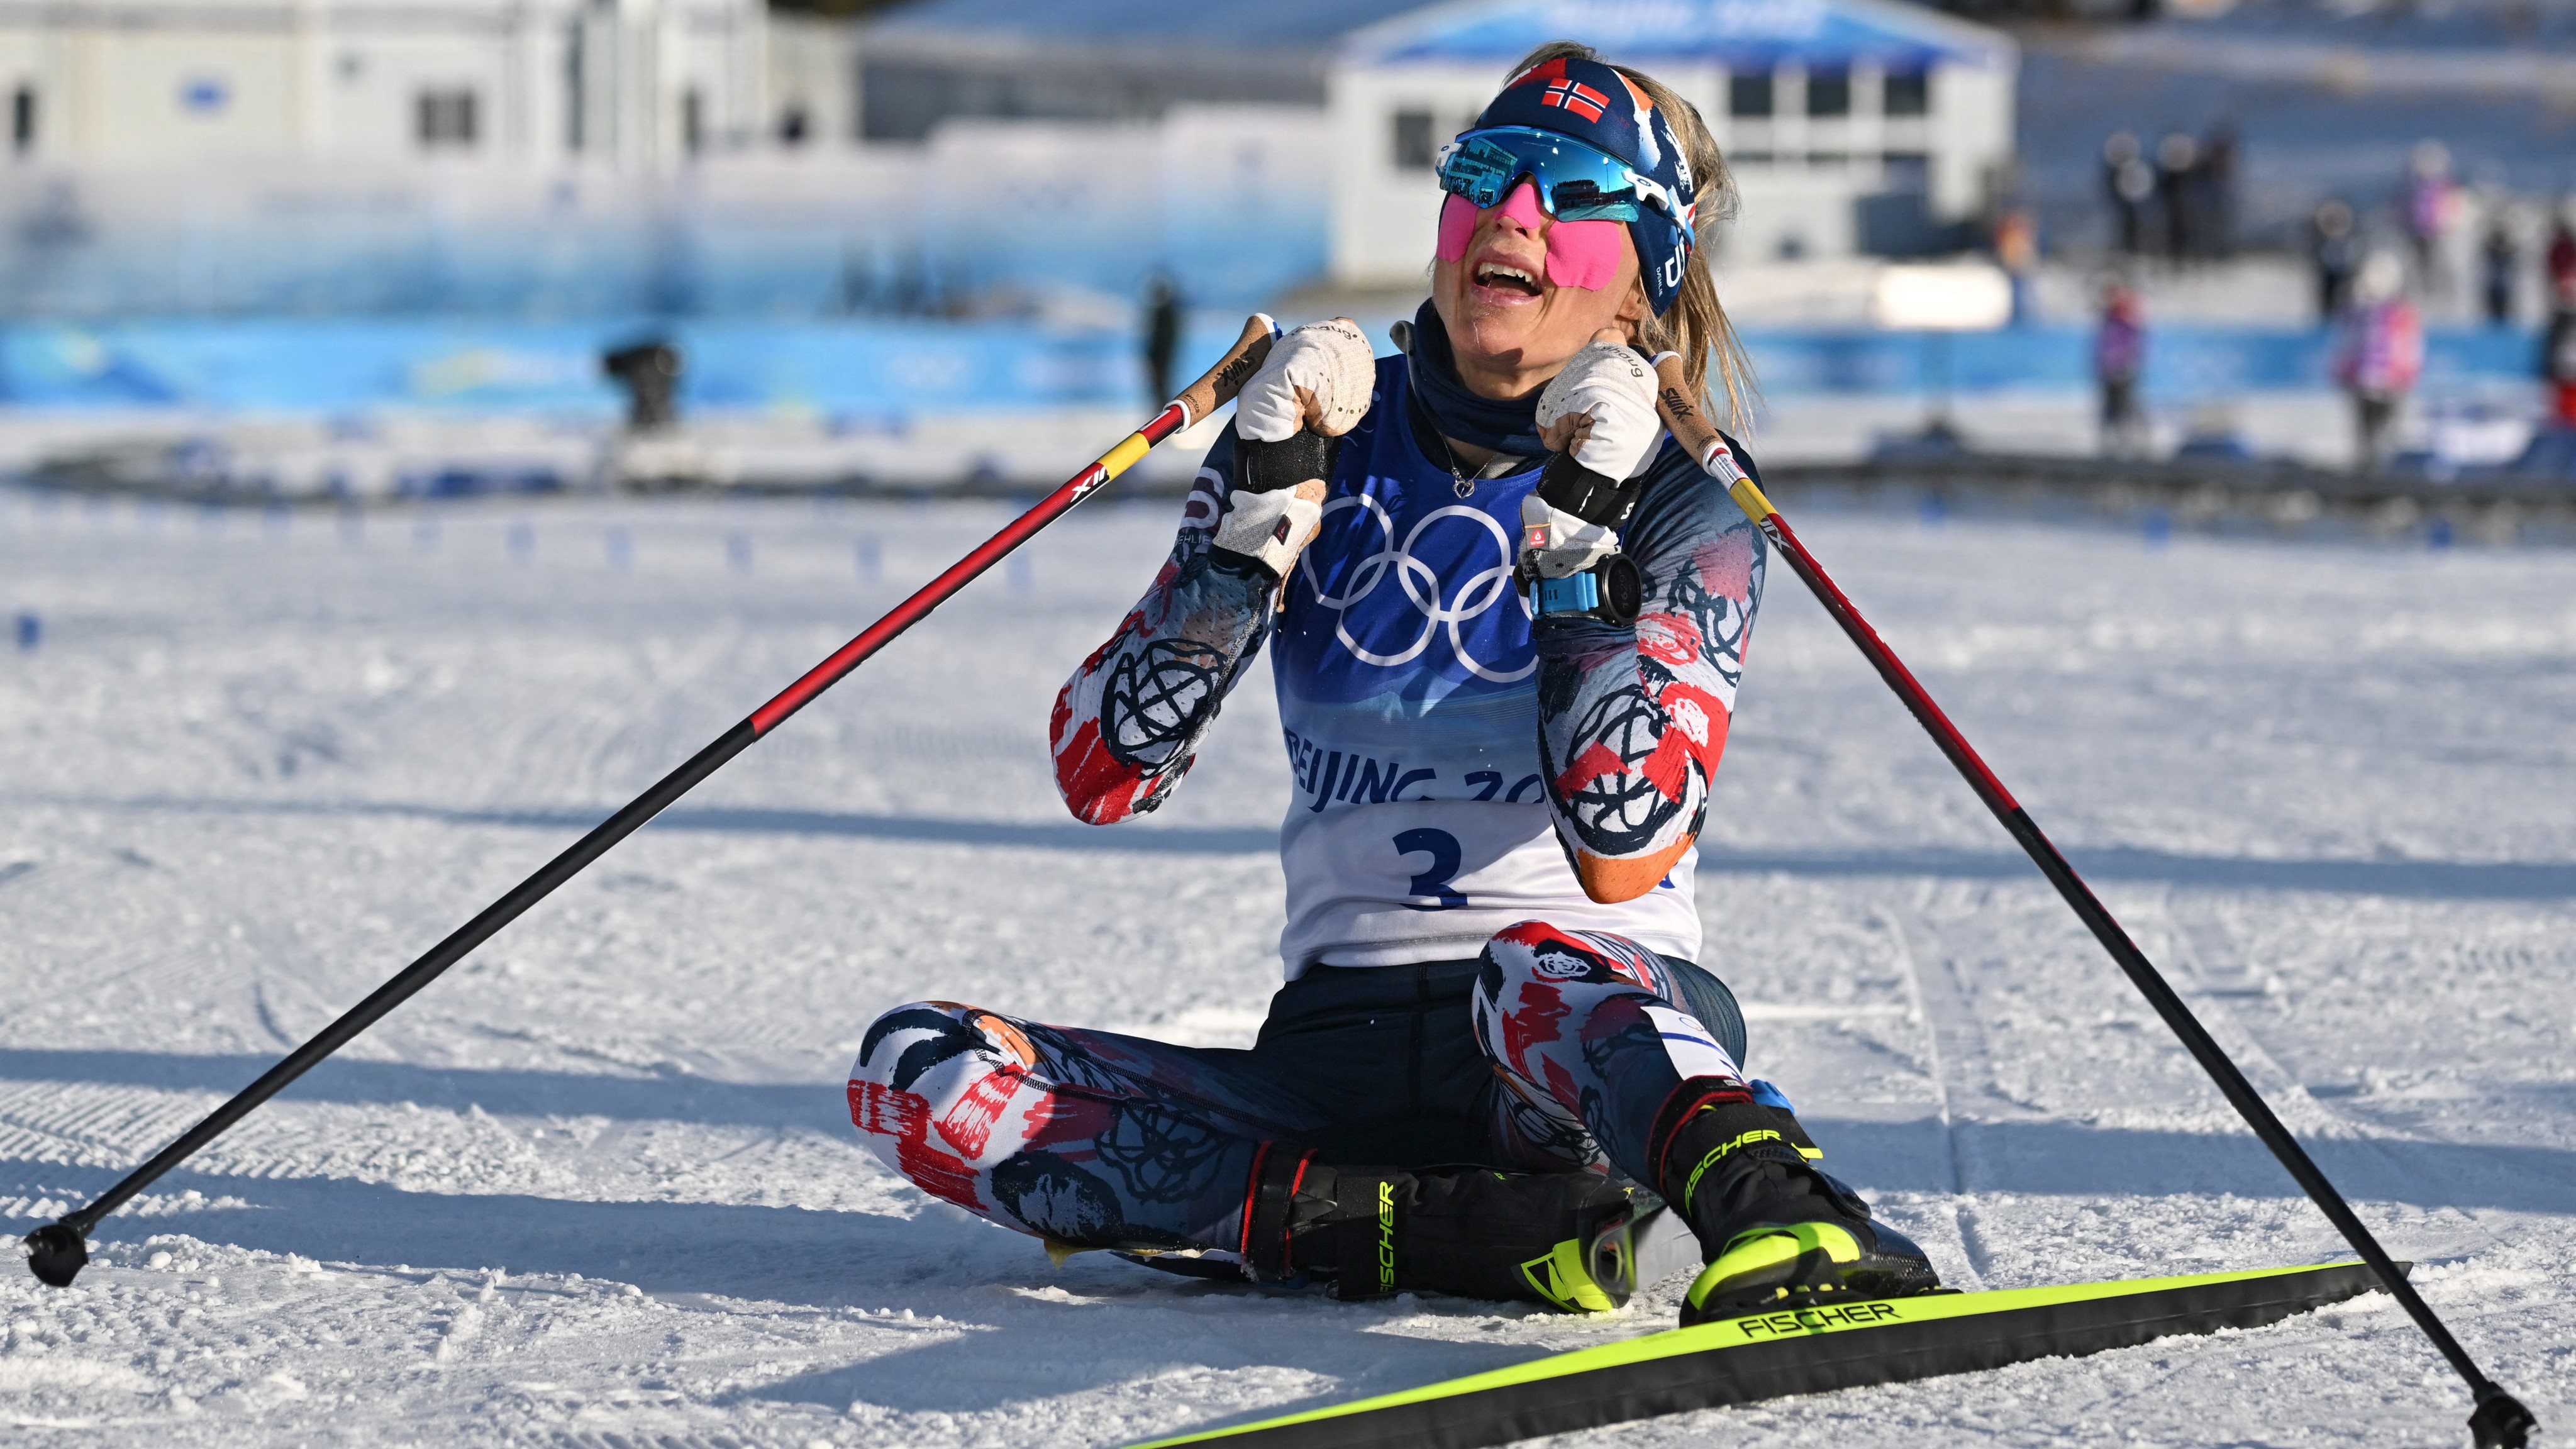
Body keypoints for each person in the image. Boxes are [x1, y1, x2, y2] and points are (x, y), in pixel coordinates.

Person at [845, 43, 1940, 1326]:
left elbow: (1621, 850)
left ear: (1645, 284)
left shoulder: (1686, 491)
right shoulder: (1314, 432)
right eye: (1483, 173)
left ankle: (1780, 1216)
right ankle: (1429, 1231)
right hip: (1334, 1054)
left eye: (1571, 192)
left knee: (1534, 963)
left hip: (1571, 1046)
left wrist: (1581, 546)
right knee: (914, 1071)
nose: (1512, 214)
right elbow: (1101, 771)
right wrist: (1245, 541)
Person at [2333, 252, 2423, 472]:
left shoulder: (2401, 313)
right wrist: (2345, 369)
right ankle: (2366, 468)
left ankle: (2383, 468)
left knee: (2387, 427)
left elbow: (2410, 346)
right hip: (2363, 380)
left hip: (2390, 380)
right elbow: (2349, 342)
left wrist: (2407, 372)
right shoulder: (2358, 312)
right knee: (2365, 429)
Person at [2096, 279, 2149, 457]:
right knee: (2111, 405)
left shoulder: (2127, 320)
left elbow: (2132, 346)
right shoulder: (2109, 318)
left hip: (2123, 369)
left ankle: (2135, 438)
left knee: (2127, 404)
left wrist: (2127, 364)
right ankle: (2111, 440)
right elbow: (2104, 345)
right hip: (2110, 369)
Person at [2311, 199, 2362, 323]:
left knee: (2346, 296)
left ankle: (2344, 318)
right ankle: (2327, 319)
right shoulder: (2323, 239)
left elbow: (2353, 255)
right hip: (2329, 273)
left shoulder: (2348, 239)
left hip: (2345, 272)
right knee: (2328, 297)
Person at [1143, 272, 1184, 411]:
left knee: (1161, 389)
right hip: (1162, 358)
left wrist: (1155, 357)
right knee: (1160, 390)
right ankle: (1162, 417)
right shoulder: (1167, 312)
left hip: (1162, 359)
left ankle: (1164, 418)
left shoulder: (1164, 313)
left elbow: (1163, 340)